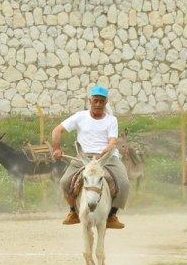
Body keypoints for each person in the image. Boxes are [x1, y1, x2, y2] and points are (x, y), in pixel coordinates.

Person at [51, 85, 130, 229]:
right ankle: (73, 212)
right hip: (84, 158)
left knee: (124, 183)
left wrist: (108, 148)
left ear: (106, 103)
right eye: (96, 101)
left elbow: (113, 141)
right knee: (64, 182)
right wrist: (56, 149)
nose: (98, 104)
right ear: (90, 101)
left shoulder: (111, 120)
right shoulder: (80, 116)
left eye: (101, 101)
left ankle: (112, 215)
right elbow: (57, 130)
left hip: (107, 158)